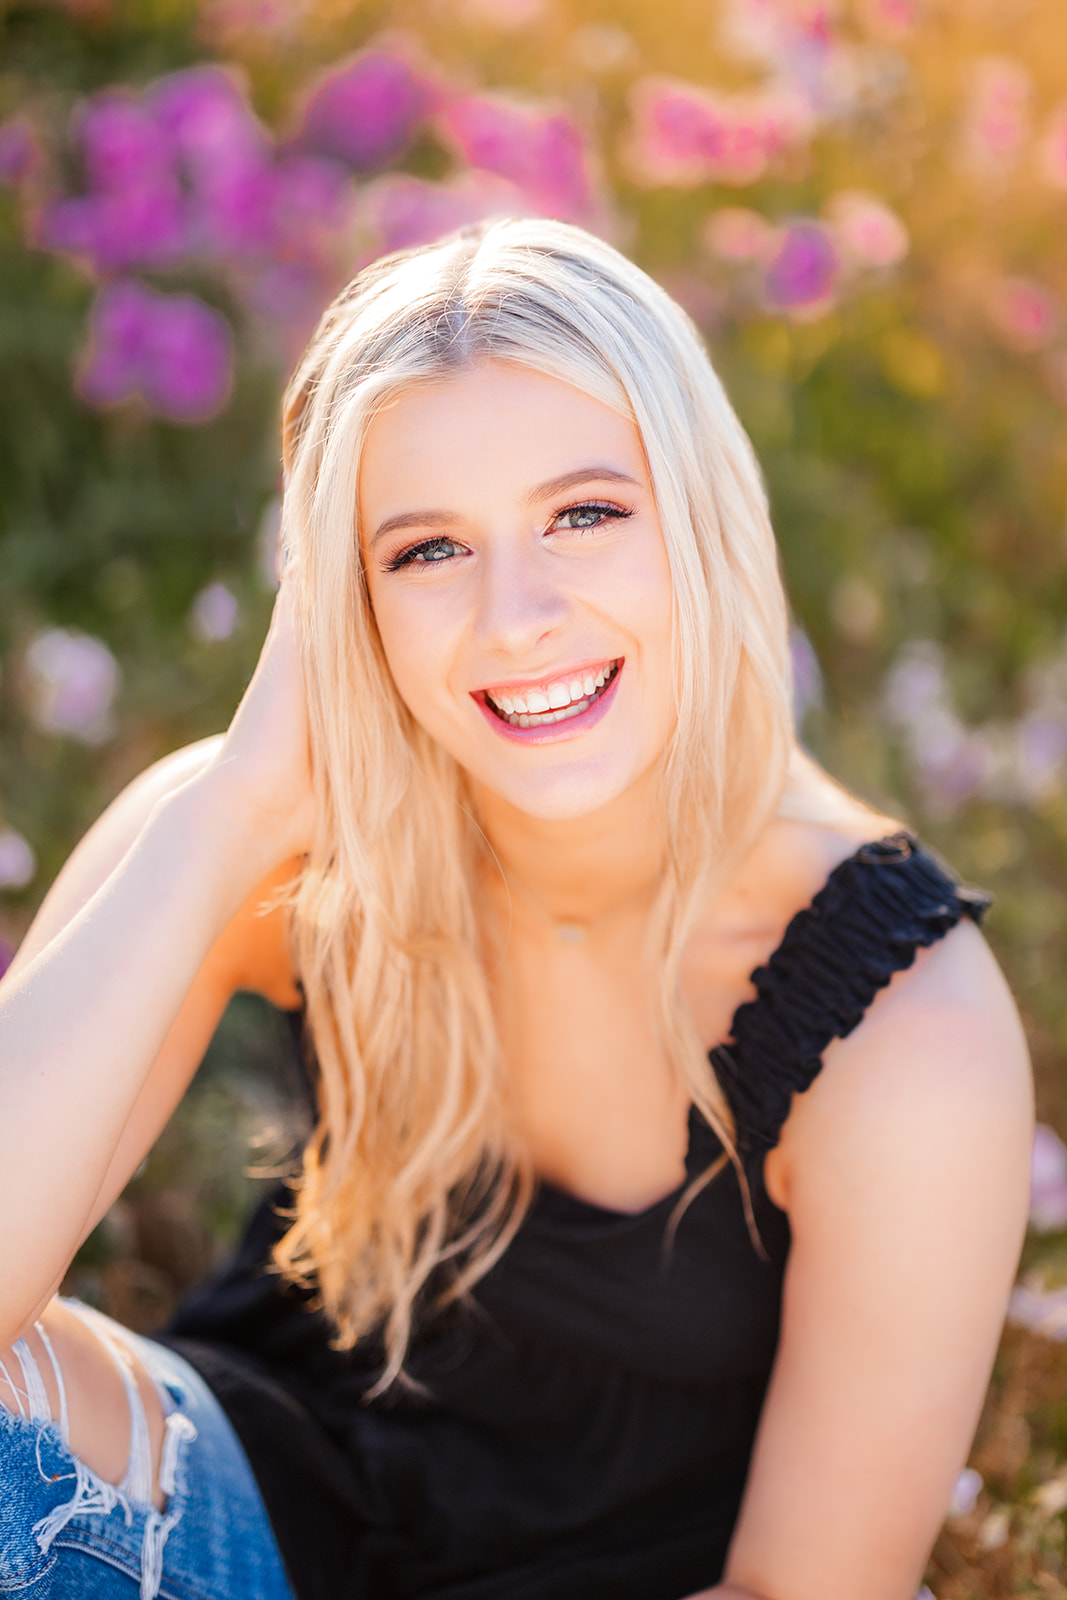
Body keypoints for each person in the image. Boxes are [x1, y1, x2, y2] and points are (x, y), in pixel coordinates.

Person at [0, 218, 1033, 1600]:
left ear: (698, 523)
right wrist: (227, 810)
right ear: (336, 601)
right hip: (242, 1526)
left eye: (586, 514)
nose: (516, 616)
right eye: (426, 550)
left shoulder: (897, 1026)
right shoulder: (273, 843)